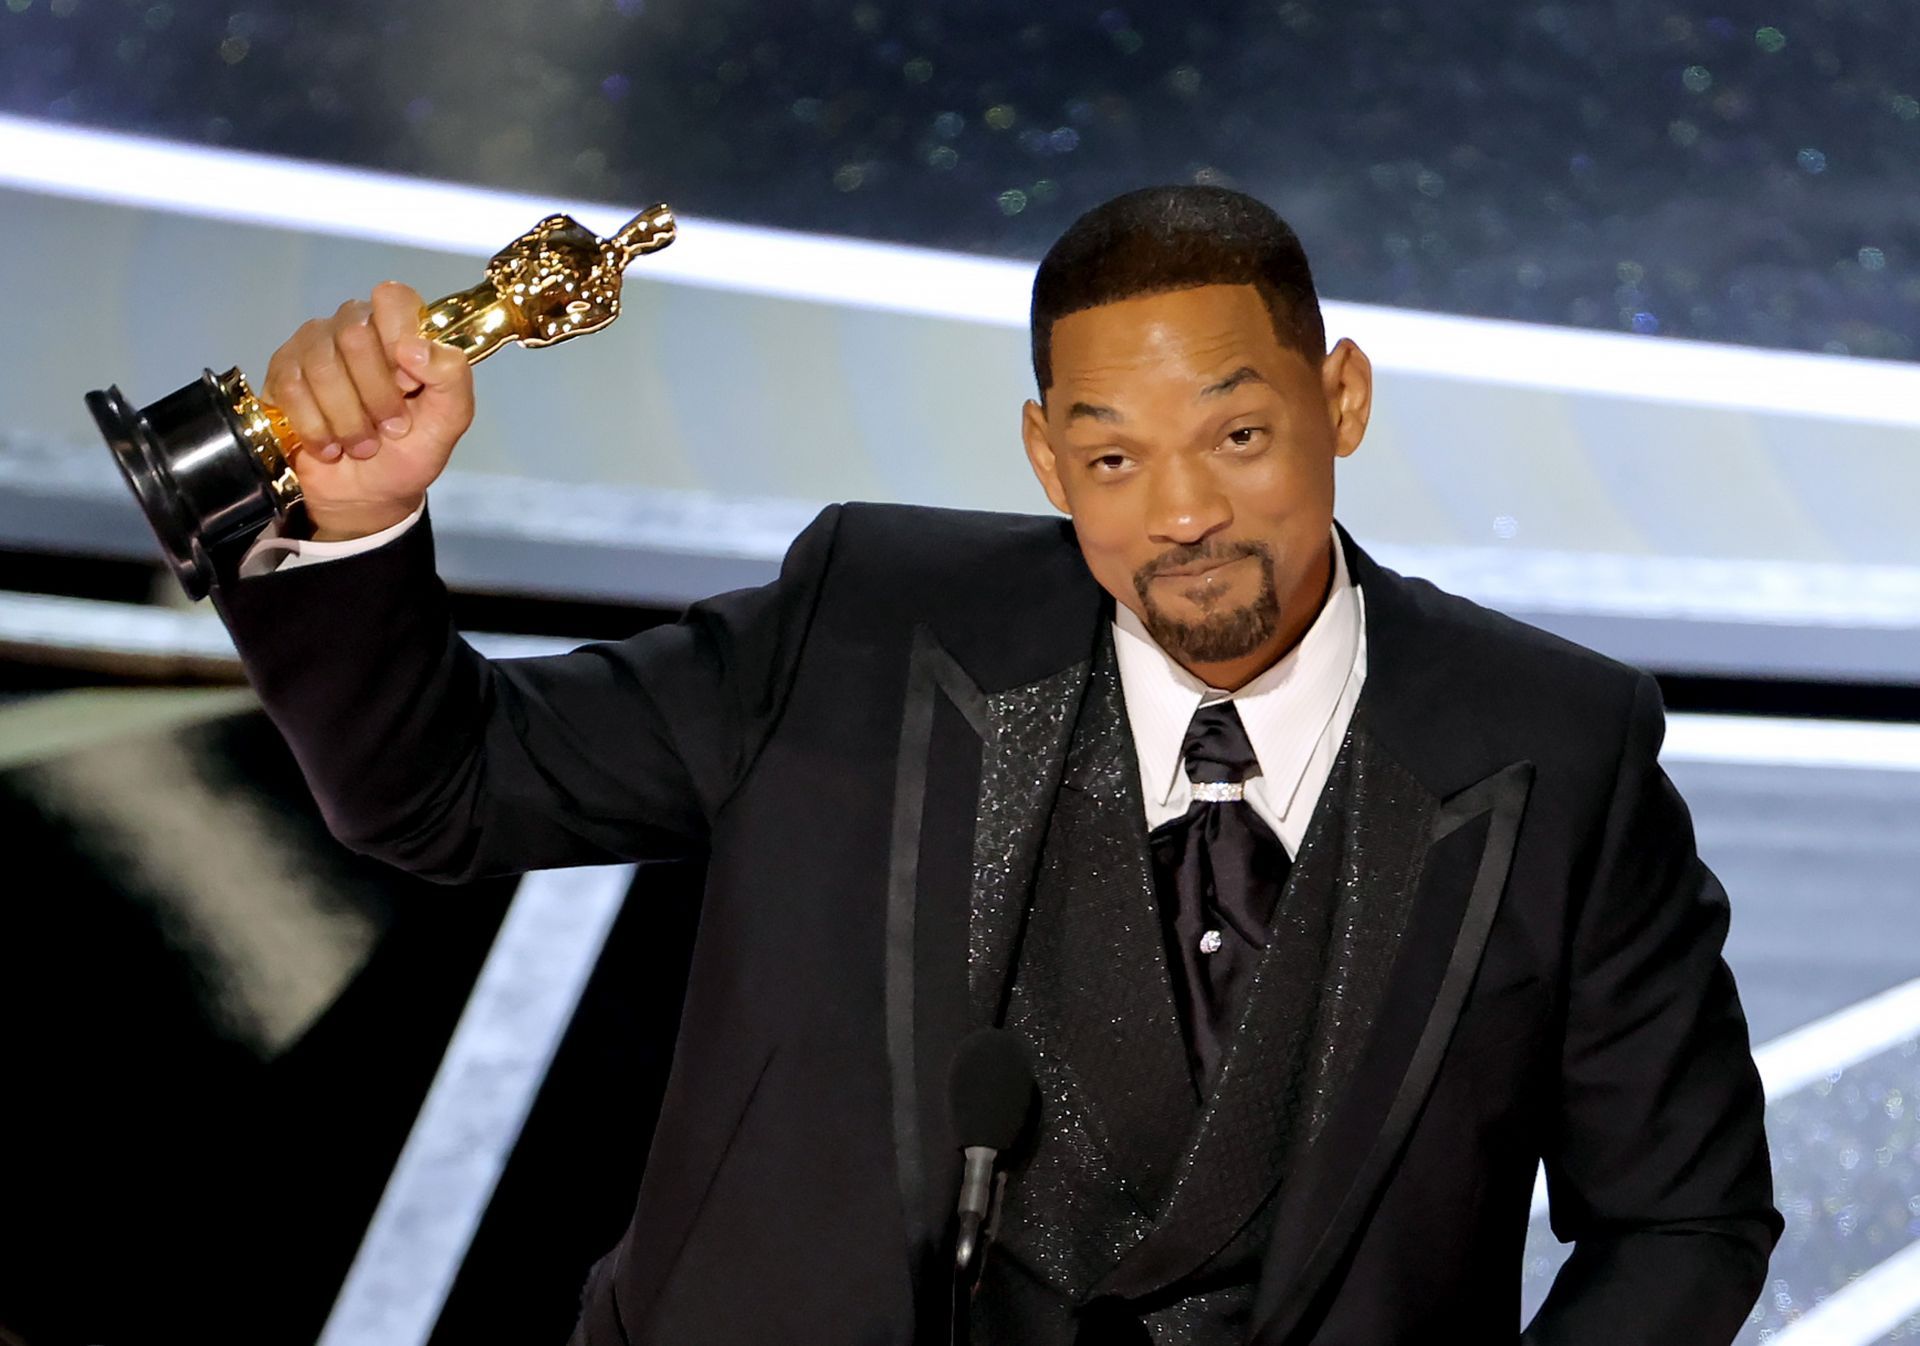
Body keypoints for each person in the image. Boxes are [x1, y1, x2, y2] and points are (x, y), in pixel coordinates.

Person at [209, 186, 1781, 1344]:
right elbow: (442, 787)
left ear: (1340, 400)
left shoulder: (1555, 743)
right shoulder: (864, 627)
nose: (1180, 511)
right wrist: (358, 527)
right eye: (1112, 456)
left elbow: (1682, 1216)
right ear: (1044, 458)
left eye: (1236, 436)